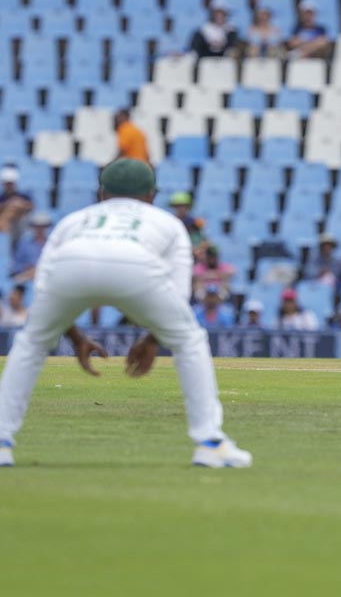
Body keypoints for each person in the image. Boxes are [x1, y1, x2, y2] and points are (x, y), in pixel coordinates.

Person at [0, 159, 252, 468]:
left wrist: (75, 336)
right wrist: (151, 340)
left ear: (102, 193)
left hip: (71, 263)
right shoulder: (167, 222)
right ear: (151, 195)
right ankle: (209, 442)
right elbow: (180, 295)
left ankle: (2, 441)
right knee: (189, 340)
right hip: (135, 265)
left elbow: (44, 287)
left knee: (31, 343)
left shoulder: (73, 220)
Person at [12, 213, 52, 284]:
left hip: (48, 275)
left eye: (43, 226)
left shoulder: (52, 244)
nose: (40, 229)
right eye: (37, 226)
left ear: (47, 227)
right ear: (32, 227)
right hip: (27, 276)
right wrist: (27, 268)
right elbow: (17, 265)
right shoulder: (24, 244)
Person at [0, 167, 34, 236]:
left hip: (21, 223)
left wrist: (20, 204)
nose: (9, 186)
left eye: (11, 183)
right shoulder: (1, 197)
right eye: (7, 184)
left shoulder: (24, 196)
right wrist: (9, 204)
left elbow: (31, 207)